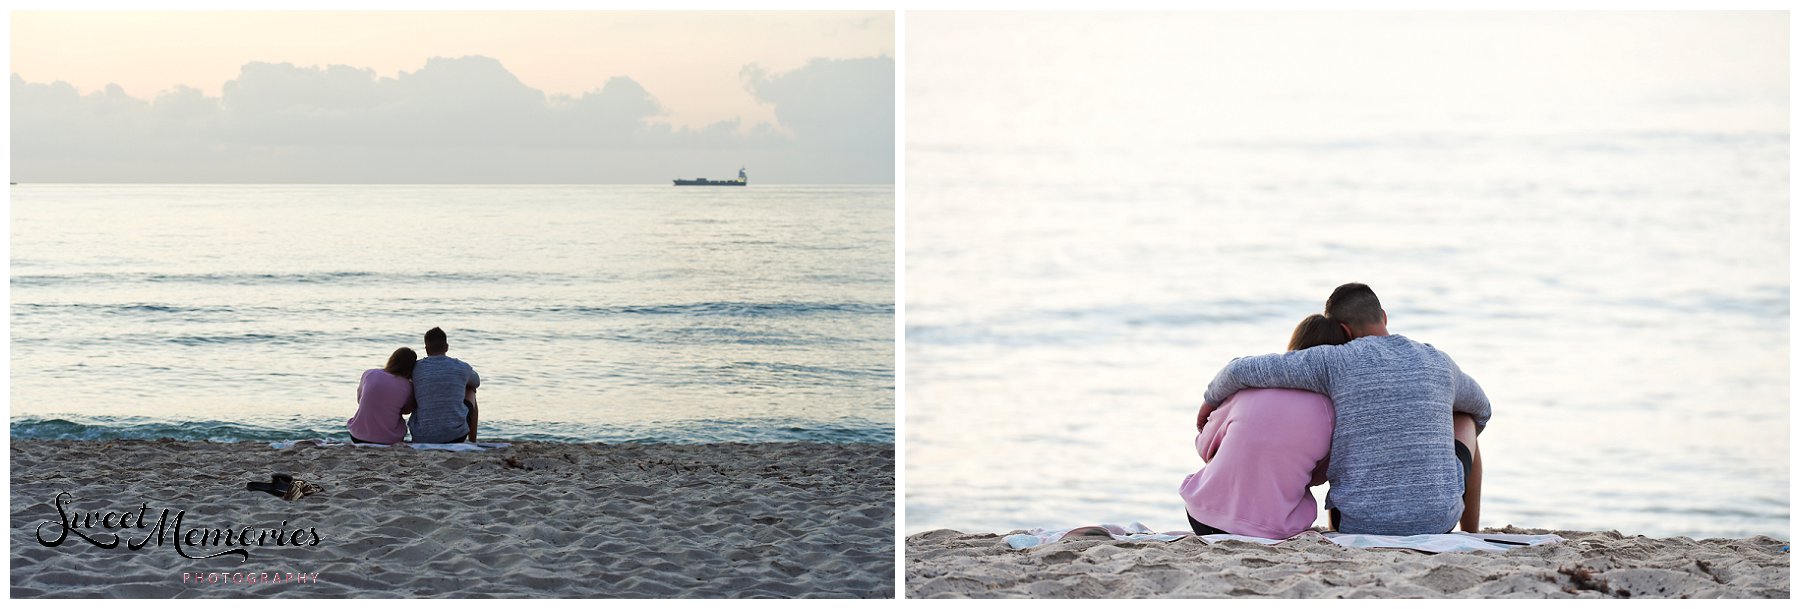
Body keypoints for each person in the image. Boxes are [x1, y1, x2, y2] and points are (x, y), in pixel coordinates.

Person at [1200, 283, 1490, 535]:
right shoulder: (1437, 361)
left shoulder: (1334, 361)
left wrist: (1210, 401)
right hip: (1437, 521)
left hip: (1356, 522)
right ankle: (1470, 533)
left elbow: (1240, 370)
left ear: (1342, 330)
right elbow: (1482, 408)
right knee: (1464, 417)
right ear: (1384, 317)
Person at [1179, 314, 1347, 538]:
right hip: (1274, 531)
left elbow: (1204, 446)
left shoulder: (1247, 390)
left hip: (1202, 518)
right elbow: (1318, 476)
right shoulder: (1330, 410)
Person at [406, 327, 482, 444]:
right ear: (447, 347)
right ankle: (473, 441)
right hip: (455, 436)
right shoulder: (461, 366)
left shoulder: (415, 368)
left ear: (426, 349)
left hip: (421, 437)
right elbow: (476, 382)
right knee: (471, 389)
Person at [347, 347, 418, 444]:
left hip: (357, 436)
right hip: (388, 439)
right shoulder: (407, 386)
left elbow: (360, 400)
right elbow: (407, 410)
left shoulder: (370, 373)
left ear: (392, 360)